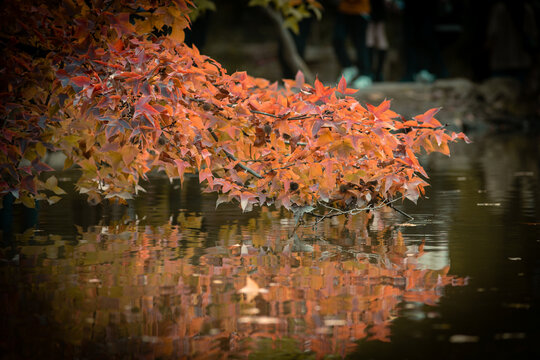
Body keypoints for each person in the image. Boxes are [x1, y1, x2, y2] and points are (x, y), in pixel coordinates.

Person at [332, 0, 372, 88]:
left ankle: (365, 74)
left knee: (360, 43)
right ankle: (348, 66)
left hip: (361, 10)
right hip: (344, 10)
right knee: (337, 38)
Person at [366, 0, 389, 82]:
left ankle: (371, 72)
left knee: (371, 33)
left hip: (371, 4)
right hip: (379, 5)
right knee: (379, 33)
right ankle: (378, 73)